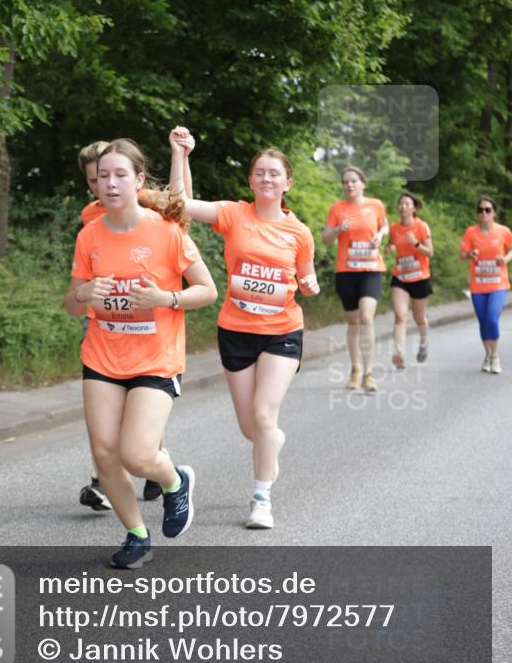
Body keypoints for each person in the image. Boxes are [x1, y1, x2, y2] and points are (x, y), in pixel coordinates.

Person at [64, 139, 217, 568]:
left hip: (156, 358)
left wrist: (165, 298)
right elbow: (72, 304)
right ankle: (135, 533)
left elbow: (207, 290)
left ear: (138, 181)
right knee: (106, 453)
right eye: (103, 177)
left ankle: (174, 480)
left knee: (137, 454)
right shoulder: (89, 234)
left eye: (120, 175)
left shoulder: (166, 231)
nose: (110, 184)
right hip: (102, 357)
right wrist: (83, 292)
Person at [169, 128, 319, 530]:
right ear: (251, 180)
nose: (267, 179)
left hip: (282, 331)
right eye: (260, 173)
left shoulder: (299, 233)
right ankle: (270, 445)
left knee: (264, 415)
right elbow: (179, 205)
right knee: (250, 428)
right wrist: (181, 154)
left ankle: (261, 500)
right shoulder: (234, 213)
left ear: (288, 183)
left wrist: (310, 283)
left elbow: (306, 274)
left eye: (274, 174)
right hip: (236, 330)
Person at [73, 138, 195, 511]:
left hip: (153, 341)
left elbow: (180, 203)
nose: (103, 186)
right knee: (107, 433)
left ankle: (156, 463)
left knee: (136, 434)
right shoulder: (89, 218)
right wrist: (88, 295)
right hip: (106, 328)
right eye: (94, 180)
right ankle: (106, 478)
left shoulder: (146, 206)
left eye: (108, 176)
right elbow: (83, 279)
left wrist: (179, 156)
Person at [322, 167, 388, 393]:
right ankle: (355, 369)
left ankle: (369, 373)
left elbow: (384, 224)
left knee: (366, 318)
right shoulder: (337, 209)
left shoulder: (376, 205)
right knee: (353, 322)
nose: (349, 185)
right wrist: (339, 228)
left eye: (353, 181)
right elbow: (325, 239)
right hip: (346, 271)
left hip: (371, 269)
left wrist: (380, 234)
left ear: (363, 183)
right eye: (345, 182)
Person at [459, 196, 512, 374]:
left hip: (498, 284)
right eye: (480, 210)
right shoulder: (470, 232)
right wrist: (470, 255)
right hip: (478, 285)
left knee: (491, 318)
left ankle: (495, 357)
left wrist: (505, 259)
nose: (484, 213)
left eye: (487, 209)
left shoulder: (503, 231)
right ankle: (488, 355)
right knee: (483, 321)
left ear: (494, 213)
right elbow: (462, 254)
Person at [386, 191, 434, 368]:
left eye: (407, 204)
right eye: (401, 204)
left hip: (420, 277)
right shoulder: (395, 227)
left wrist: (415, 243)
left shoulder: (421, 227)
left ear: (414, 208)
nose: (404, 207)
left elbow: (430, 252)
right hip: (400, 277)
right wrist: (389, 247)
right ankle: (398, 353)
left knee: (419, 317)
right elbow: (391, 241)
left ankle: (423, 341)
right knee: (400, 316)